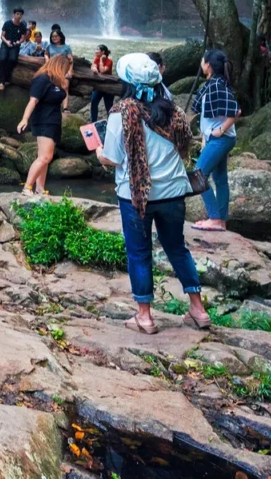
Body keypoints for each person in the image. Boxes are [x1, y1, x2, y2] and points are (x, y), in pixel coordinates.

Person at [96, 53, 208, 335]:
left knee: (139, 253)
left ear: (127, 82)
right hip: (173, 192)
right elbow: (185, 146)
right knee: (177, 248)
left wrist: (98, 152)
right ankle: (198, 309)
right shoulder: (174, 111)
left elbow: (113, 158)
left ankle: (145, 317)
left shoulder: (121, 113)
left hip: (136, 196)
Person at [190, 49, 240, 232]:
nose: (201, 64)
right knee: (220, 179)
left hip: (221, 138)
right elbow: (208, 116)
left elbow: (236, 112)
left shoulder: (217, 85)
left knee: (198, 175)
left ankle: (215, 218)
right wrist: (206, 137)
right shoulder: (214, 83)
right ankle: (221, 221)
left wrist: (220, 130)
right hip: (217, 138)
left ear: (208, 65)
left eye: (202, 61)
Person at [17, 52, 72, 195]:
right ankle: (27, 187)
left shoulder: (56, 81)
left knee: (45, 157)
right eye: (65, 68)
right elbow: (33, 100)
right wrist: (24, 119)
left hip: (54, 121)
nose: (66, 72)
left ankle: (40, 189)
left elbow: (63, 96)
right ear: (59, 66)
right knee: (45, 157)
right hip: (43, 121)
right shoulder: (42, 79)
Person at [0, 8, 27, 89]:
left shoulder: (22, 26)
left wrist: (18, 42)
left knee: (13, 60)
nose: (19, 16)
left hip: (15, 45)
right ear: (14, 14)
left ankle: (2, 80)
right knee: (2, 59)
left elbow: (23, 38)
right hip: (5, 44)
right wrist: (7, 42)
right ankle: (2, 82)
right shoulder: (7, 23)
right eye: (17, 14)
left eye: (20, 14)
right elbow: (2, 36)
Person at [90, 44, 115, 120]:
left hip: (108, 87)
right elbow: (93, 66)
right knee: (93, 103)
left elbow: (102, 71)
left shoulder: (109, 61)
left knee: (109, 107)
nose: (96, 51)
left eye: (97, 50)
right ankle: (93, 121)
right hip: (99, 86)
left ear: (103, 52)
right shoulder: (96, 59)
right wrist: (94, 68)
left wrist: (101, 60)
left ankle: (111, 122)